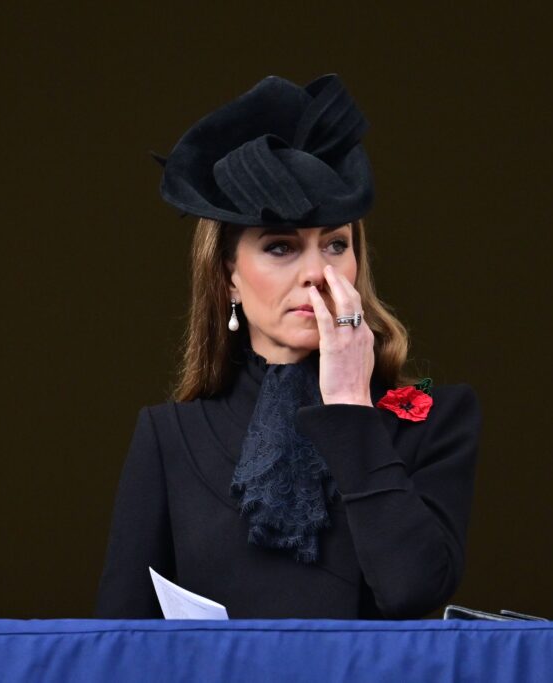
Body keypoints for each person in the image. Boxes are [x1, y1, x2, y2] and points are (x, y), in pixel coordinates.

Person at [95, 75, 480, 619]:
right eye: (280, 247)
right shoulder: (168, 437)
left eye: (336, 244)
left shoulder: (435, 420)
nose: (317, 273)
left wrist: (350, 405)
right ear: (228, 275)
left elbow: (414, 589)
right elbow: (118, 639)